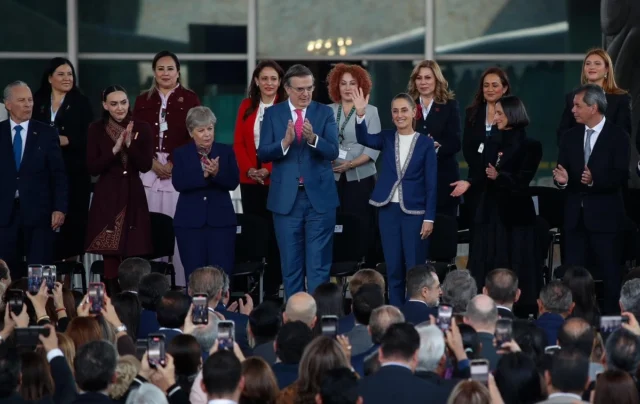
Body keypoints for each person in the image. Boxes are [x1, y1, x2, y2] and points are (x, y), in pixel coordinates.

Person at [451, 96, 542, 307]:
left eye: (500, 113)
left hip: (515, 217)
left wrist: (499, 177)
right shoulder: (491, 143)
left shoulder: (531, 146)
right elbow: (483, 173)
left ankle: (517, 308)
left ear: (512, 114)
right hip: (489, 214)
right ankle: (483, 306)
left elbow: (522, 180)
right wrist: (469, 182)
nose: (495, 117)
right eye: (495, 113)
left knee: (514, 264)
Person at [257, 64, 339, 297]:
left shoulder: (324, 112)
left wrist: (314, 139)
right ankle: (294, 315)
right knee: (290, 266)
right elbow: (263, 153)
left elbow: (333, 151)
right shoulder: (273, 114)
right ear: (287, 89)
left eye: (309, 88)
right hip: (286, 201)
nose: (306, 94)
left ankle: (318, 314)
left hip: (319, 200)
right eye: (300, 89)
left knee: (318, 266)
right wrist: (284, 142)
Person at [351, 88, 437, 307]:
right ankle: (396, 312)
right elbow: (363, 138)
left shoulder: (426, 143)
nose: (400, 115)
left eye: (404, 110)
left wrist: (429, 217)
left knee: (414, 269)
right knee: (393, 268)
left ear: (414, 113)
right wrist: (360, 113)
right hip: (388, 210)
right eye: (395, 111)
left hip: (415, 213)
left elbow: (431, 184)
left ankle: (414, 312)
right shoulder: (387, 137)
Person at [553, 84, 630, 314]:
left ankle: (611, 323)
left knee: (611, 275)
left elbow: (621, 176)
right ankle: (576, 320)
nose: (573, 110)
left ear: (593, 107)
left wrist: (595, 181)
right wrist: (563, 181)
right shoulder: (569, 137)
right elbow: (563, 173)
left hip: (606, 220)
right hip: (575, 220)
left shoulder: (618, 136)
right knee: (574, 278)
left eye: (578, 106)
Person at [133, 50, 201, 287]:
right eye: (160, 69)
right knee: (151, 228)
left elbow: (196, 134)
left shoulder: (190, 98)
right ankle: (151, 286)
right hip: (149, 168)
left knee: (177, 228)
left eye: (170, 69)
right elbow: (134, 135)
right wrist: (151, 162)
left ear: (178, 72)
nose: (165, 73)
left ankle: (180, 285)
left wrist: (174, 161)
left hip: (177, 169)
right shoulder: (143, 100)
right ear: (154, 72)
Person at [85, 85, 154, 290]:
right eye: (114, 104)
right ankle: (112, 301)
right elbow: (92, 168)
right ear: (105, 105)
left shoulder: (142, 127)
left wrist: (130, 145)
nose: (120, 108)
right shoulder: (96, 129)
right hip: (108, 197)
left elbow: (145, 165)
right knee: (111, 258)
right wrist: (114, 150)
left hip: (133, 194)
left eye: (123, 102)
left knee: (134, 254)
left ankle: (135, 301)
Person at [0, 81, 67, 279]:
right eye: (22, 100)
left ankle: (43, 300)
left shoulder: (46, 133)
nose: (28, 104)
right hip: (4, 214)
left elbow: (59, 173)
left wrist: (60, 208)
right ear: (8, 104)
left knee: (41, 271)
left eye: (30, 100)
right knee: (5, 271)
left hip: (40, 214)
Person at [32, 57, 94, 263]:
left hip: (74, 174)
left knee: (72, 229)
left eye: (70, 74)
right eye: (61, 74)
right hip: (43, 174)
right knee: (44, 228)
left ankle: (67, 278)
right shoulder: (37, 101)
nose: (67, 78)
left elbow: (89, 136)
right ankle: (44, 276)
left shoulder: (81, 102)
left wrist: (67, 140)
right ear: (50, 78)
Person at [233, 60, 286, 297]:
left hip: (277, 180)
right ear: (256, 81)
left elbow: (287, 144)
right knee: (255, 232)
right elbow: (238, 142)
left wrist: (267, 169)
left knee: (275, 233)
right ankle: (254, 285)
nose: (269, 83)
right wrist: (249, 170)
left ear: (280, 82)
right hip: (250, 181)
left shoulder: (285, 107)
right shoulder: (246, 105)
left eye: (273, 78)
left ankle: (273, 285)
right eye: (264, 78)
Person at [173, 106, 239, 279]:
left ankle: (221, 299)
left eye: (210, 129)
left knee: (221, 275)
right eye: (201, 130)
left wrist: (217, 174)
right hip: (190, 224)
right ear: (191, 132)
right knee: (194, 276)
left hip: (221, 224)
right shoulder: (180, 153)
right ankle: (196, 300)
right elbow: (178, 183)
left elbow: (233, 182)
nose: (207, 134)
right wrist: (203, 175)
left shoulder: (225, 151)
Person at [326, 63, 381, 255]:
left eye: (352, 83)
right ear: (336, 86)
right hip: (332, 178)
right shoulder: (327, 111)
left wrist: (350, 164)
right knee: (336, 225)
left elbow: (373, 147)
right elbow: (321, 142)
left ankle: (363, 265)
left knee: (361, 224)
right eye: (343, 83)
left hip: (361, 178)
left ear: (361, 86)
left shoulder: (371, 111)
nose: (348, 88)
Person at [408, 60, 461, 218]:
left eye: (428, 78)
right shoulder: (407, 105)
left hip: (443, 178)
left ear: (437, 79)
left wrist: (436, 146)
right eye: (419, 78)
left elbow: (455, 143)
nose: (423, 82)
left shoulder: (449, 105)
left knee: (444, 227)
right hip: (415, 178)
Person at [461, 67, 511, 232]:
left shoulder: (512, 113)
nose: (490, 89)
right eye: (486, 85)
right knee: (478, 232)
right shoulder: (472, 113)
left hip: (501, 181)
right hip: (476, 181)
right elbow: (467, 147)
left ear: (504, 88)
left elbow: (513, 145)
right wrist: (481, 171)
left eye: (494, 85)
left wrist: (496, 171)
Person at [556, 48, 632, 144]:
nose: (591, 67)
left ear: (607, 69)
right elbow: (563, 133)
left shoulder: (621, 99)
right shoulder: (572, 97)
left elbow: (623, 135)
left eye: (597, 63)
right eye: (588, 64)